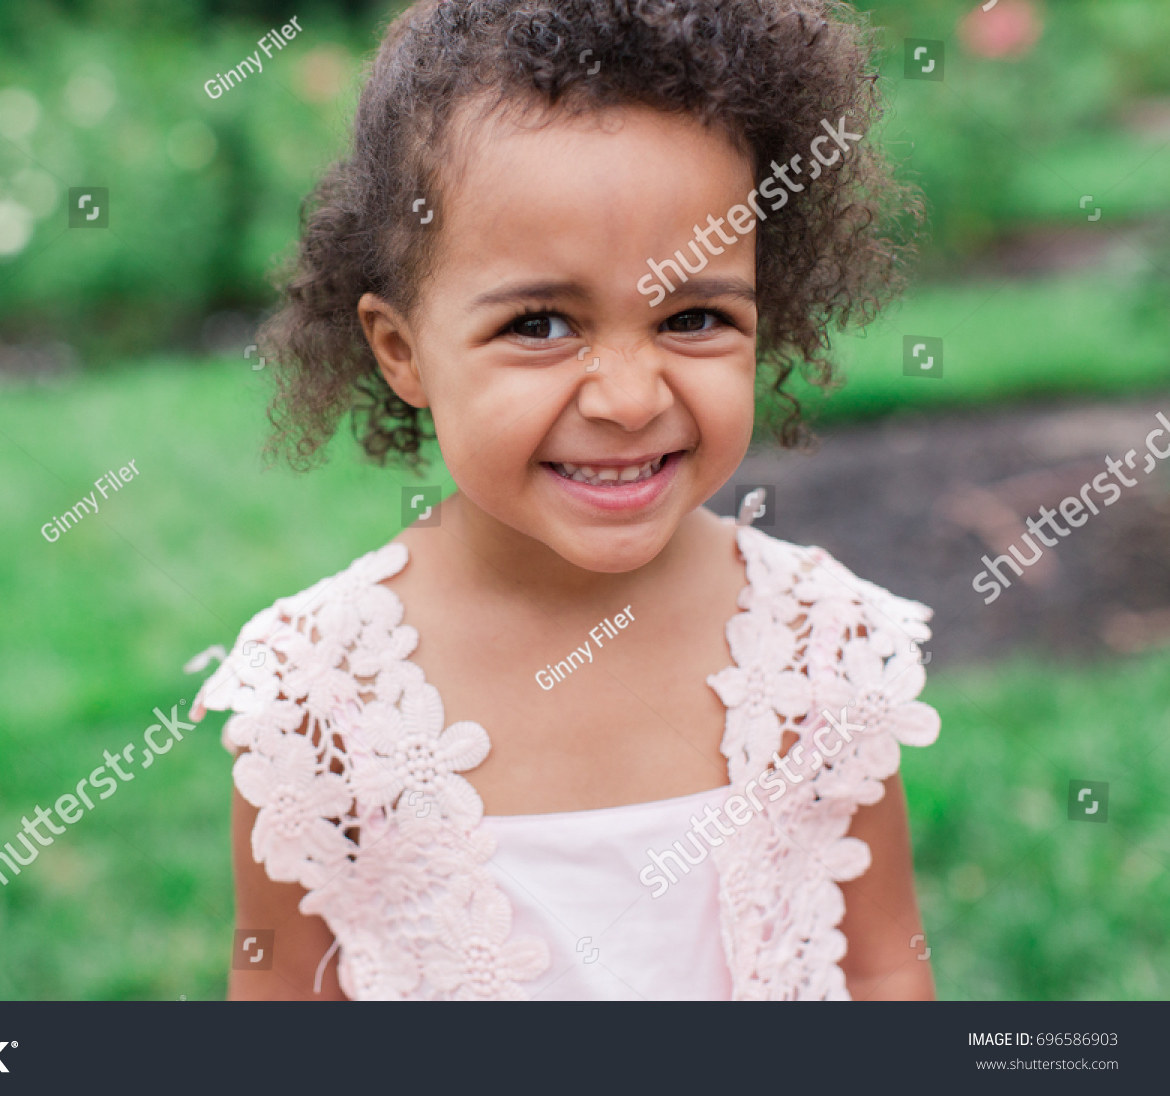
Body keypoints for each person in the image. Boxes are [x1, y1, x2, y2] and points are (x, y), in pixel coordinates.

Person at [189, 0, 939, 1000]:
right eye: (541, 323)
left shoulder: (820, 653)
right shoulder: (320, 700)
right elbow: (281, 984)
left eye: (695, 316)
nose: (630, 399)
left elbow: (887, 964)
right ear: (402, 350)